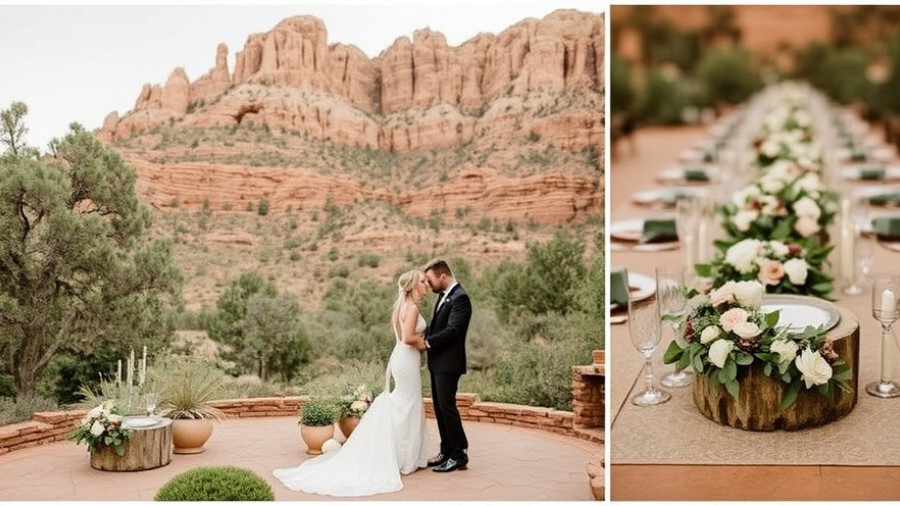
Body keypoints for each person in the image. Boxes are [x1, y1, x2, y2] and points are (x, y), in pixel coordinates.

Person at [273, 270, 430, 496]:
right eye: (423, 281)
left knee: (404, 403)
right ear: (413, 285)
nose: (426, 284)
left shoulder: (401, 306)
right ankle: (403, 457)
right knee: (407, 404)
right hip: (407, 358)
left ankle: (399, 453)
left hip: (400, 358)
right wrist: (426, 343)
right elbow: (408, 338)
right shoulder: (412, 308)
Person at [422, 258, 473, 473]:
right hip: (437, 363)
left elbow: (453, 330)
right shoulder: (444, 296)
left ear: (442, 276)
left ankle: (459, 454)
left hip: (449, 363)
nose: (428, 284)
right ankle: (446, 450)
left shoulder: (460, 298)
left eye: (430, 279)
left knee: (447, 407)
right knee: (440, 408)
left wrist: (427, 343)